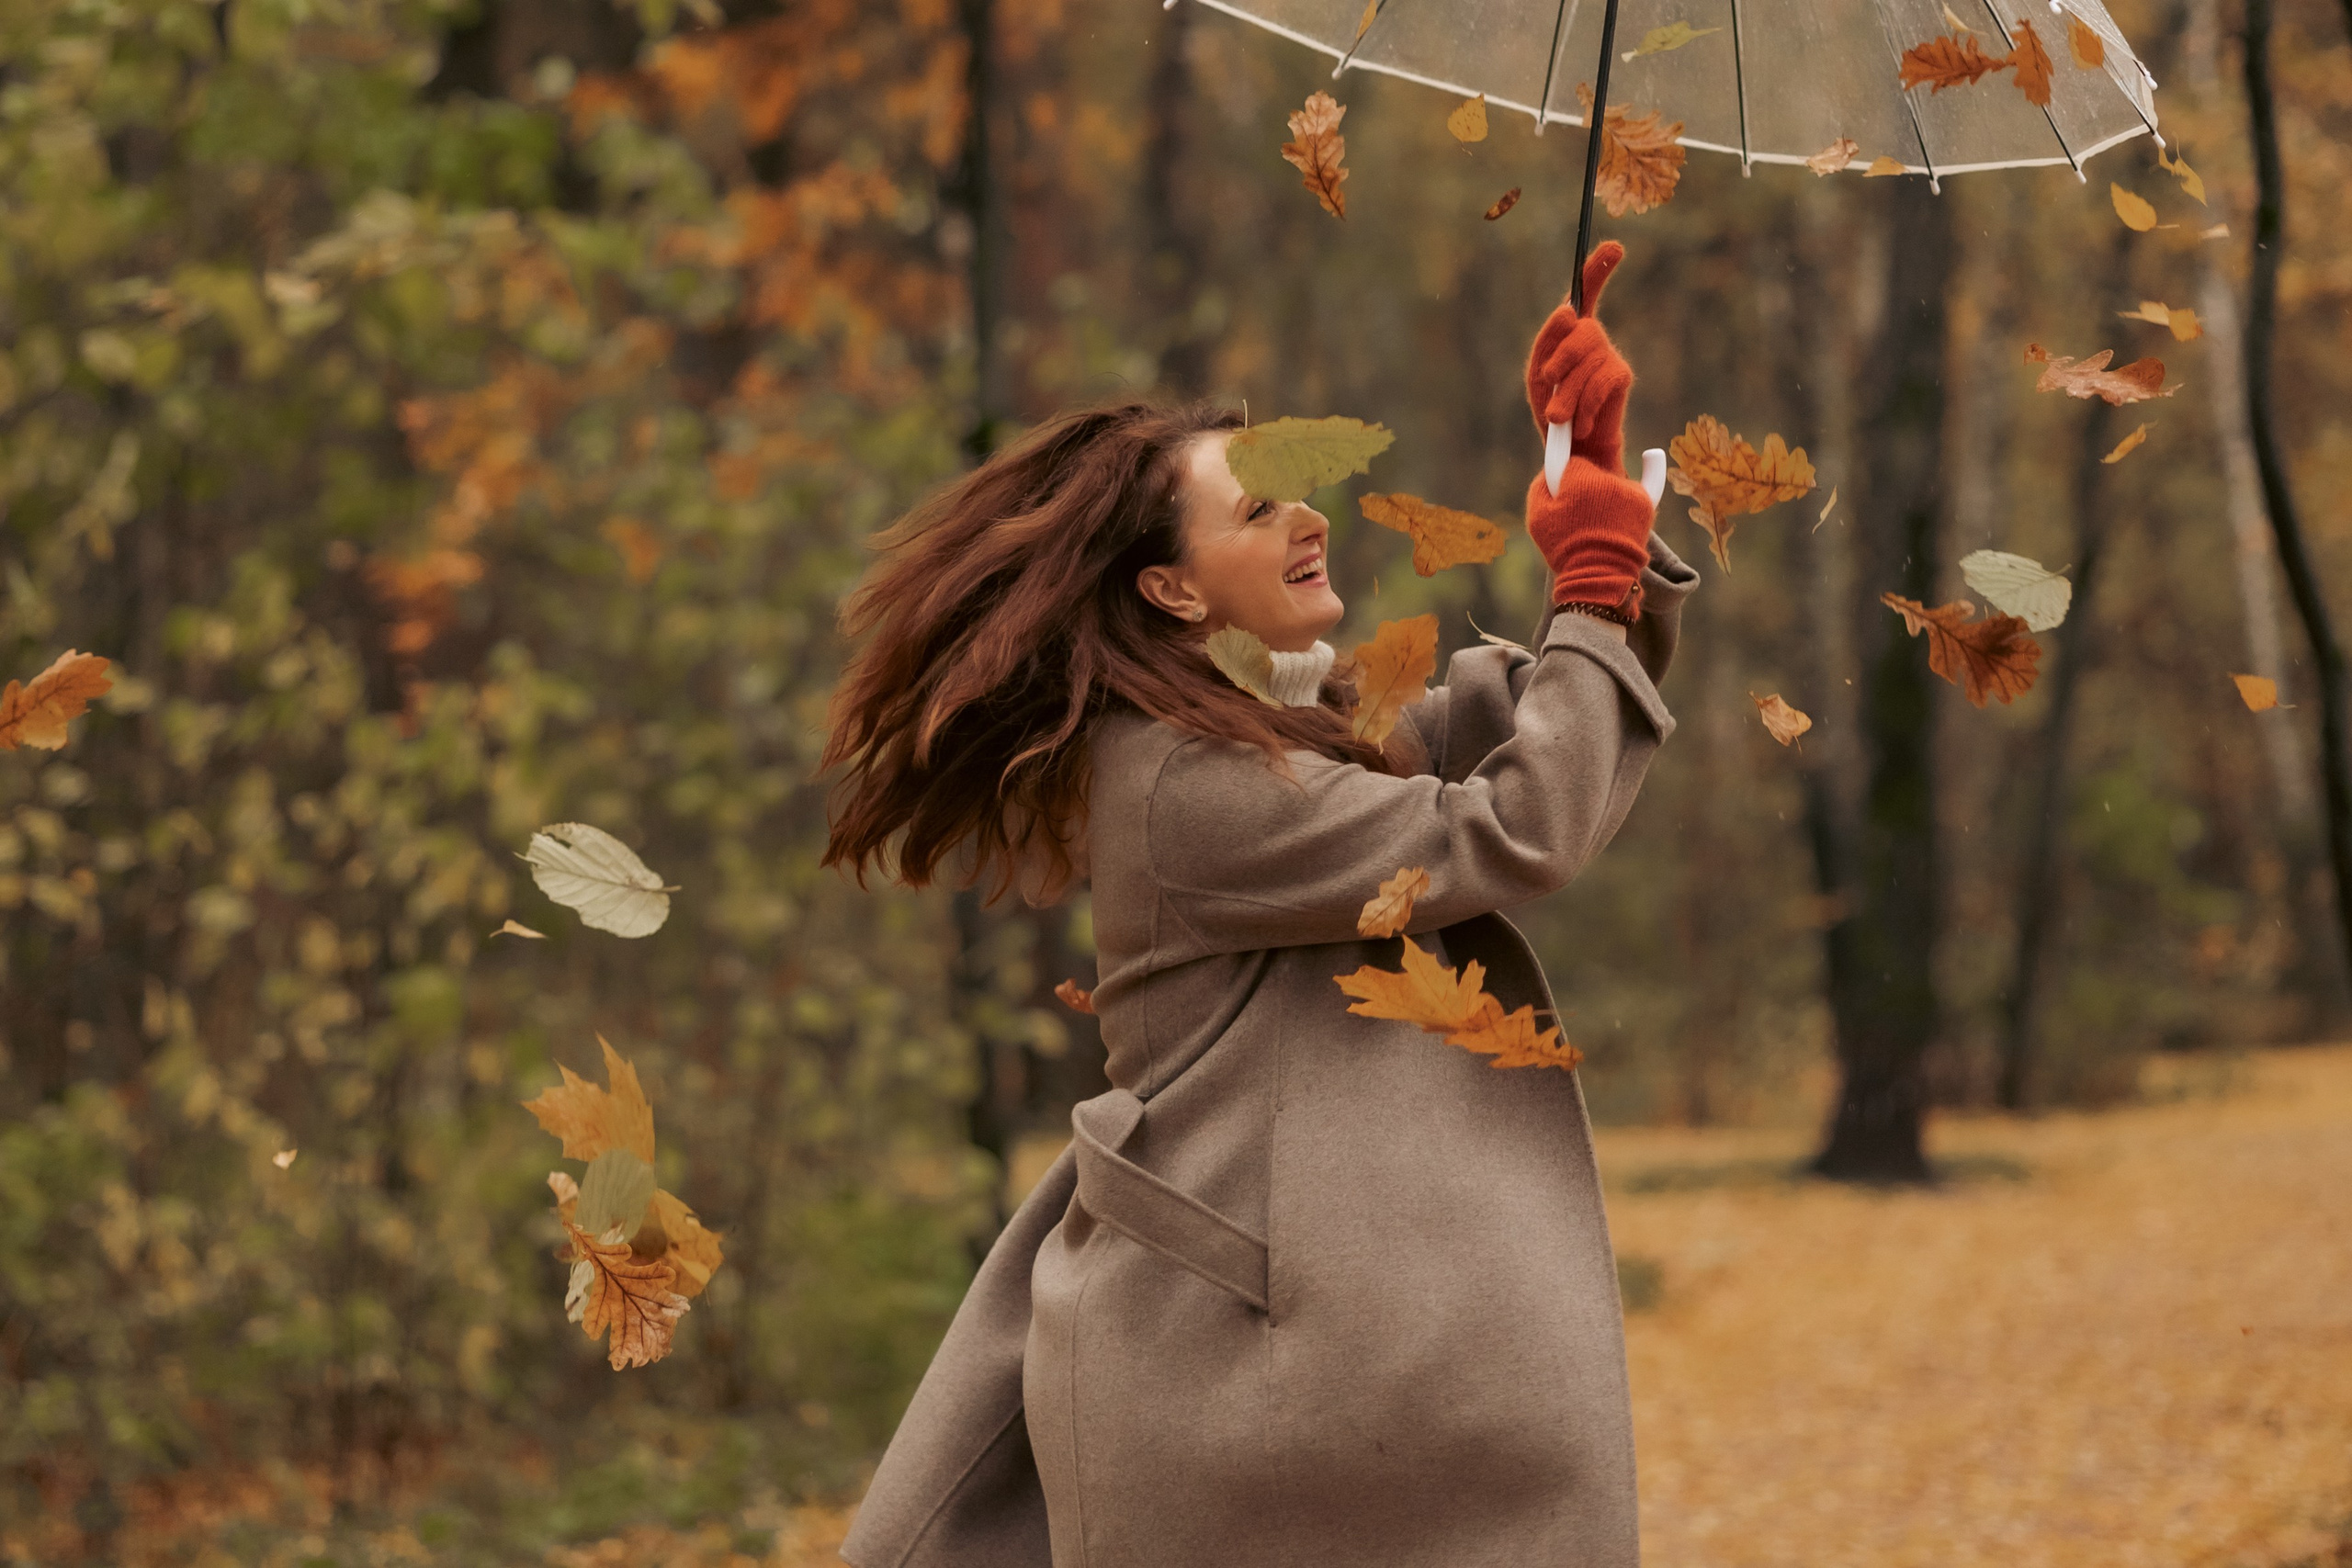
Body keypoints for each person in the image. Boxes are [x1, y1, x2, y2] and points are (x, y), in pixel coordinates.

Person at [822, 240, 1695, 1568]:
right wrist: (1585, 590)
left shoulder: (1274, 743)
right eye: (1258, 510)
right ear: (1170, 591)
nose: (1308, 517)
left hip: (1287, 1381)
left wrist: (1596, 508)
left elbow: (1502, 746)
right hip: (1262, 1395)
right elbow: (1515, 822)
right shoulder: (1192, 785)